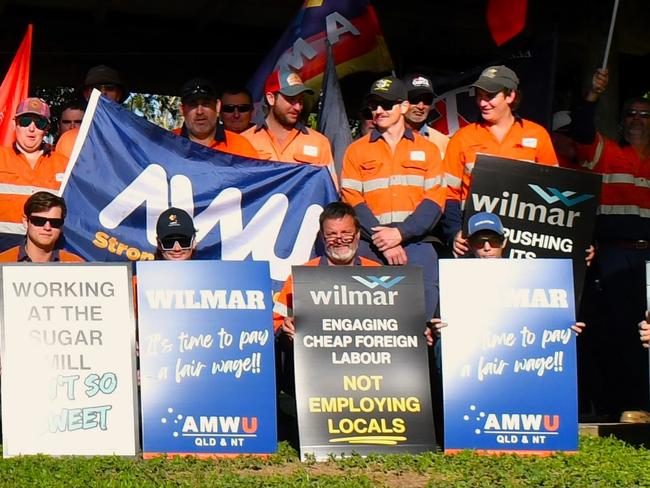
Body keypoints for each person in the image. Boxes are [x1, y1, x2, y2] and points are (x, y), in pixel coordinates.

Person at [570, 68, 650, 420]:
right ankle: (621, 406)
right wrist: (592, 96)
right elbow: (582, 131)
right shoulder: (605, 151)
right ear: (621, 122)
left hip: (649, 257)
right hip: (614, 254)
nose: (637, 120)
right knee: (618, 333)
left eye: (644, 115)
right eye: (630, 114)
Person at [340, 75, 446, 319]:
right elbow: (352, 199)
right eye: (373, 105)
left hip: (417, 244)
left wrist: (400, 234)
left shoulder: (428, 149)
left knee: (421, 323)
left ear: (404, 107)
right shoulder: (356, 150)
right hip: (371, 246)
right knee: (372, 322)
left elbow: (435, 200)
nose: (378, 111)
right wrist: (383, 240)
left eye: (386, 105)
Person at [444, 65, 559, 257]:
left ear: (510, 96)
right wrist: (453, 232)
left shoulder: (537, 135)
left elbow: (556, 193)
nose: (483, 103)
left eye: (490, 96)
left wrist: (573, 240)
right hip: (476, 241)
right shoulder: (462, 138)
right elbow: (449, 193)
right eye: (480, 96)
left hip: (528, 241)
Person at [274, 201, 380, 337]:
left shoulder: (377, 274)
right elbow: (276, 323)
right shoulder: (301, 277)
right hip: (314, 356)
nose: (339, 239)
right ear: (322, 237)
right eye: (332, 234)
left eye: (346, 233)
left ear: (358, 235)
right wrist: (284, 329)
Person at [242, 67, 336, 182]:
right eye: (291, 99)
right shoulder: (244, 141)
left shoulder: (320, 143)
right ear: (271, 98)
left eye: (300, 100)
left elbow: (330, 191)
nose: (297, 107)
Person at [0, 98, 69, 244]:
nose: (31, 128)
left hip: (47, 251)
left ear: (47, 128)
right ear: (14, 124)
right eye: (25, 121)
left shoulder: (64, 164)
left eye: (39, 123)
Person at [172, 78, 257, 158]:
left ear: (218, 106)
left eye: (206, 104)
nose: (200, 112)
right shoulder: (167, 143)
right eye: (192, 105)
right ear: (182, 109)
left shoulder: (241, 147)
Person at [56, 64, 128, 158]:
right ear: (86, 94)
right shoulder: (69, 140)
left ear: (118, 94)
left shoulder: (133, 137)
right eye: (96, 88)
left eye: (109, 88)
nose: (103, 93)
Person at [0, 192, 83, 262]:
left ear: (61, 226)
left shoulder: (76, 265)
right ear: (26, 221)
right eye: (39, 221)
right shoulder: (3, 261)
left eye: (55, 222)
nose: (47, 227)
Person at [403, 73, 449, 158]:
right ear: (401, 102)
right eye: (414, 99)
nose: (420, 106)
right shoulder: (386, 138)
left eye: (427, 100)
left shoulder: (443, 142)